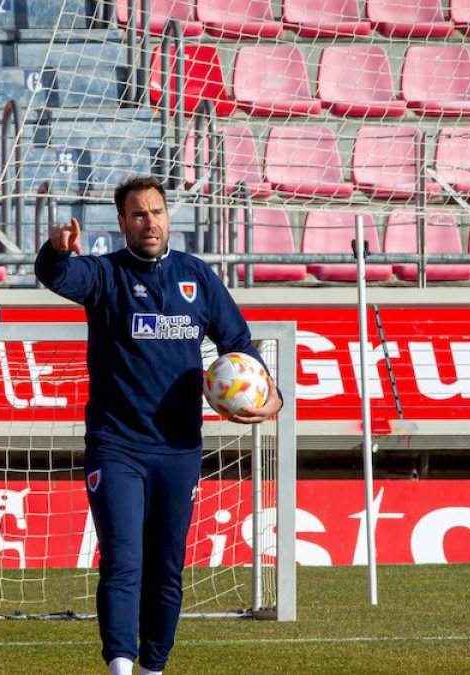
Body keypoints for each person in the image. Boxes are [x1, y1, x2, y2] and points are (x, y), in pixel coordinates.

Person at [35, 176, 283, 675]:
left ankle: (153, 667)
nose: (150, 222)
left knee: (168, 570)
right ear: (122, 223)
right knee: (124, 561)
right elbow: (56, 276)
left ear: (169, 216)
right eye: (138, 214)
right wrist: (55, 251)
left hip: (178, 448)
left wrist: (273, 395)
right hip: (116, 446)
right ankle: (120, 668)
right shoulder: (103, 275)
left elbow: (238, 343)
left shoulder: (197, 276)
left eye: (157, 212)